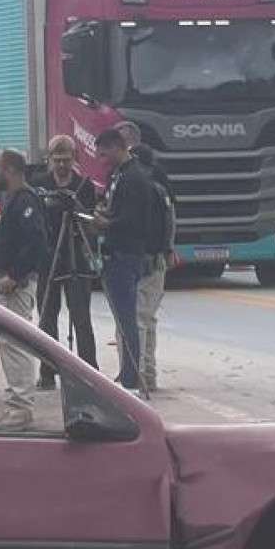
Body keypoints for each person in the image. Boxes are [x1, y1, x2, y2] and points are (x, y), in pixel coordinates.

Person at [0, 148, 49, 429]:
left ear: (10, 170)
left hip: (16, 286)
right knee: (7, 346)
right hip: (5, 282)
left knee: (16, 346)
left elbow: (36, 243)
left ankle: (22, 408)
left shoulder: (26, 201)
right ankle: (14, 403)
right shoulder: (10, 200)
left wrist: (15, 275)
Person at [30, 135, 100, 388]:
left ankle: (90, 374)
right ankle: (48, 372)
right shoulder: (39, 184)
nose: (61, 165)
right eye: (57, 160)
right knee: (47, 317)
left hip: (76, 255)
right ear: (49, 159)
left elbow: (90, 222)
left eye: (66, 160)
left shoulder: (84, 186)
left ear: (74, 159)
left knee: (81, 318)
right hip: (49, 257)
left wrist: (75, 205)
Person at [92, 127, 155, 393]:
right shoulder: (117, 175)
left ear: (118, 148)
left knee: (128, 320)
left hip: (126, 255)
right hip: (114, 253)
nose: (102, 160)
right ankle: (127, 372)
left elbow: (134, 221)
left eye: (104, 154)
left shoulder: (135, 178)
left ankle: (131, 380)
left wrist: (107, 224)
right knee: (122, 319)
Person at [119, 121, 177, 394]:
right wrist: (169, 248)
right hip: (158, 258)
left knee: (134, 321)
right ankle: (149, 375)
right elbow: (172, 214)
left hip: (140, 258)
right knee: (148, 319)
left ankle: (136, 377)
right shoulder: (159, 175)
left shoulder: (133, 179)